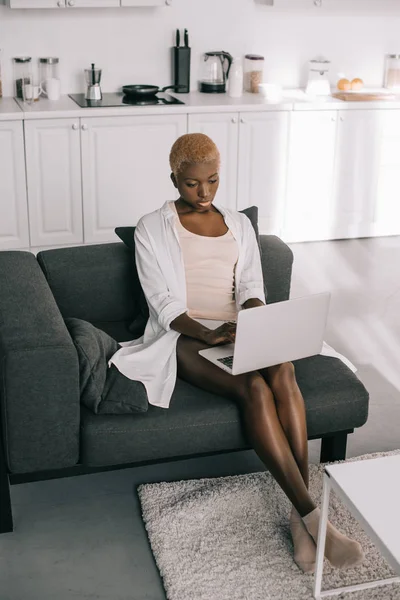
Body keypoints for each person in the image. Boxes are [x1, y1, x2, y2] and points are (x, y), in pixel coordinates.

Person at [109, 133, 364, 574]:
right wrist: (207, 335)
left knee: (282, 371)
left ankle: (299, 517)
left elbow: (250, 286)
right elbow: (163, 302)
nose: (204, 192)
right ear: (173, 178)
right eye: (192, 184)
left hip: (238, 329)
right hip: (186, 337)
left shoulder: (238, 224)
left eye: (212, 180)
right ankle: (312, 515)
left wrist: (252, 318)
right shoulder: (153, 226)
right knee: (254, 389)